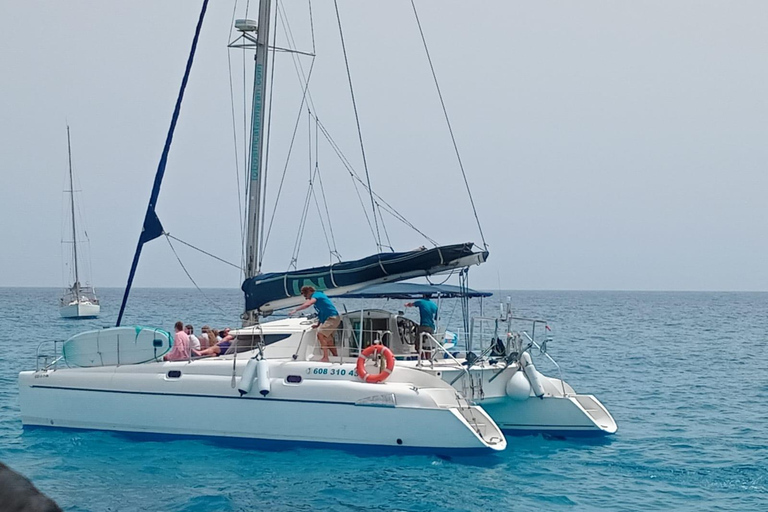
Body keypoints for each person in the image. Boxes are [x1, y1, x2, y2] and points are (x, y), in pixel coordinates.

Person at [289, 286, 340, 362]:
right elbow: (321, 313)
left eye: (305, 296)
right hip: (330, 318)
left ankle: (325, 357)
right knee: (328, 339)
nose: (306, 298)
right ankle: (335, 357)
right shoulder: (319, 298)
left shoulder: (316, 295)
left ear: (309, 292)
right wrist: (318, 324)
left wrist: (296, 310)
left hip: (332, 318)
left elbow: (308, 304)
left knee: (320, 334)